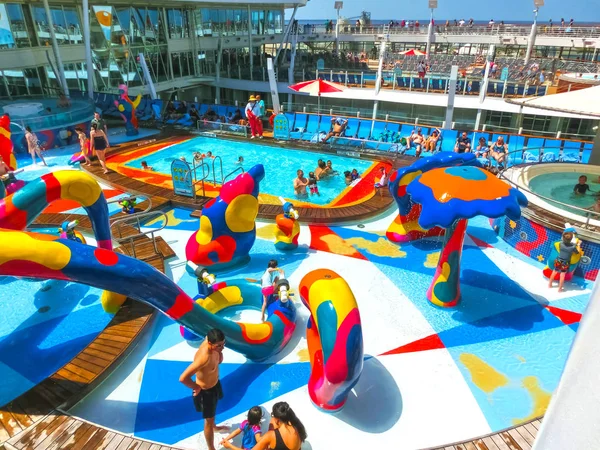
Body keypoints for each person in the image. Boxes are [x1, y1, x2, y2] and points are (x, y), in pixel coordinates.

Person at [179, 328, 228, 450]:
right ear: (210, 344)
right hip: (206, 392)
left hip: (215, 384)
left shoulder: (211, 340)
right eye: (219, 346)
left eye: (224, 344)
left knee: (212, 414)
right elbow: (183, 378)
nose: (222, 348)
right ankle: (211, 448)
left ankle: (215, 427)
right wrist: (196, 387)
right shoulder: (204, 358)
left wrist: (219, 353)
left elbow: (210, 331)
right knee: (208, 421)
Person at [222, 402, 306, 450]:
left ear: (277, 420)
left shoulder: (270, 436)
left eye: (272, 415)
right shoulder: (296, 426)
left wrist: (230, 446)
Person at [548, 226, 582, 292]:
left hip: (558, 260)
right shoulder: (573, 247)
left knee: (554, 272)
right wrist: (579, 244)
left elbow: (564, 240)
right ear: (571, 239)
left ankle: (550, 284)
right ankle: (560, 289)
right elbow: (577, 252)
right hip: (565, 263)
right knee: (562, 275)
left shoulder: (561, 244)